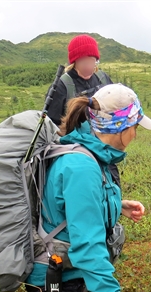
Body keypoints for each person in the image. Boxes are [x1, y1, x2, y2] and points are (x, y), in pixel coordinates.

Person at [26, 84, 151, 292]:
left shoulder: (88, 146)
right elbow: (87, 245)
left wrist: (120, 206)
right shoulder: (81, 166)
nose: (136, 134)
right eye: (135, 127)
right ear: (120, 128)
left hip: (67, 266)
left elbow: (73, 206)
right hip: (55, 278)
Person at [46, 34, 121, 186]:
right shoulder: (63, 85)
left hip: (104, 145)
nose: (89, 66)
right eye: (84, 61)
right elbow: (51, 124)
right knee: (87, 187)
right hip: (76, 150)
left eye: (92, 61)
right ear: (74, 61)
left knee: (112, 183)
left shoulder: (103, 78)